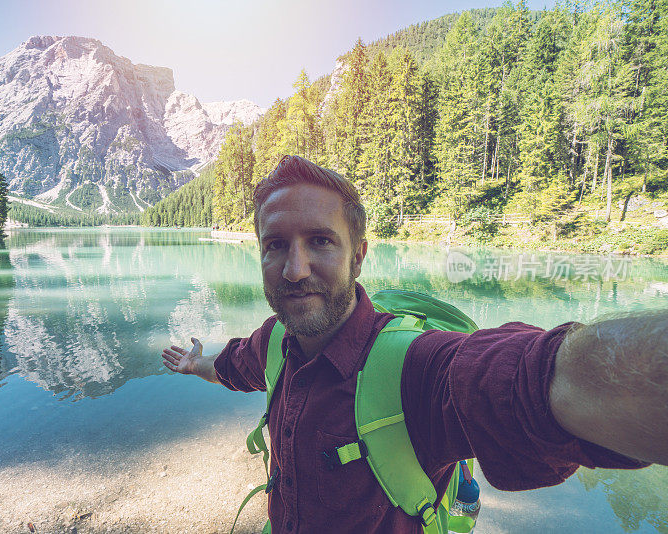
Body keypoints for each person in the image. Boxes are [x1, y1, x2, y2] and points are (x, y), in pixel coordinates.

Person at [161, 155, 668, 533]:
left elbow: (536, 379)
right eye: (276, 245)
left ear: (358, 257)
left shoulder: (415, 368)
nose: (295, 270)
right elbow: (234, 365)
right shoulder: (274, 341)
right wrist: (194, 363)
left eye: (320, 241)